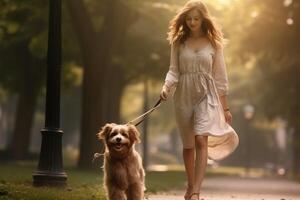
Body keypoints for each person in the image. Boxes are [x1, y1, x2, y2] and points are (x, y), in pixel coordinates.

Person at [160, 1, 239, 200]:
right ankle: (190, 184)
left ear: (203, 19)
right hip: (184, 95)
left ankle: (196, 191)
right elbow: (173, 71)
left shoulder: (214, 44)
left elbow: (220, 77)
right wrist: (166, 87)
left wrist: (225, 107)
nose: (192, 22)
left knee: (200, 139)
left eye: (196, 18)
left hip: (207, 95)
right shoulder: (178, 42)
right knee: (188, 146)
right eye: (189, 19)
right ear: (184, 20)